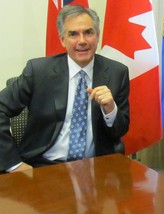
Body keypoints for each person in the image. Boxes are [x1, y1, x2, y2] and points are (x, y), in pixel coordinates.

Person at [0, 5, 130, 173]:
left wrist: (111, 109)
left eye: (88, 32)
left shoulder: (116, 73)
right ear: (62, 39)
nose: (82, 40)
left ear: (97, 36)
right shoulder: (38, 71)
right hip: (42, 167)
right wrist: (14, 164)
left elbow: (119, 131)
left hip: (95, 168)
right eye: (73, 34)